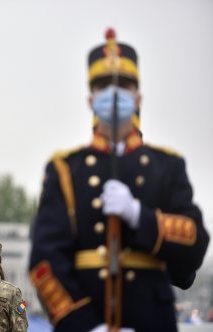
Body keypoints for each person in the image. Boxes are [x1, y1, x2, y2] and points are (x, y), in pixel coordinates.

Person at [28, 28, 210, 331]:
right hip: (88, 320)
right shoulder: (65, 169)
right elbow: (44, 264)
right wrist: (85, 325)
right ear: (90, 100)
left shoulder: (166, 166)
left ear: (138, 97)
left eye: (124, 84)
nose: (113, 93)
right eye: (102, 85)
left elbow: (192, 244)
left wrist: (141, 217)